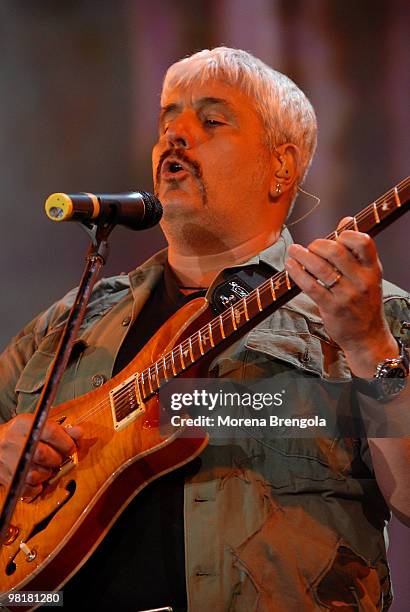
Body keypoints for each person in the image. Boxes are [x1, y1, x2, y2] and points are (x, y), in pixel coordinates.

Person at [0, 47, 409, 611]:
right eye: (168, 121)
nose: (175, 136)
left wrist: (367, 345)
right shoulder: (67, 324)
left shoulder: (371, 314)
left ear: (281, 167)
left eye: (210, 121)